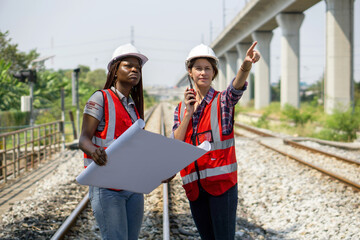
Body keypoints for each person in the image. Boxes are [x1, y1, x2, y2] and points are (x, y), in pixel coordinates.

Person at [172, 42, 260, 240]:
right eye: (198, 68)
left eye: (207, 68)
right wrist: (189, 113)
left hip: (222, 185)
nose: (203, 72)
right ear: (190, 72)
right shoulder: (180, 109)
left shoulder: (223, 101)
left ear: (214, 73)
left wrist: (246, 66)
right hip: (194, 188)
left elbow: (236, 88)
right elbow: (176, 144)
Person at [79, 43, 148, 240]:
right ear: (115, 70)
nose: (135, 69)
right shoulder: (100, 98)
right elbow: (83, 139)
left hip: (132, 187)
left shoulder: (134, 108)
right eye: (128, 65)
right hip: (107, 186)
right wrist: (94, 151)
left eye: (138, 67)